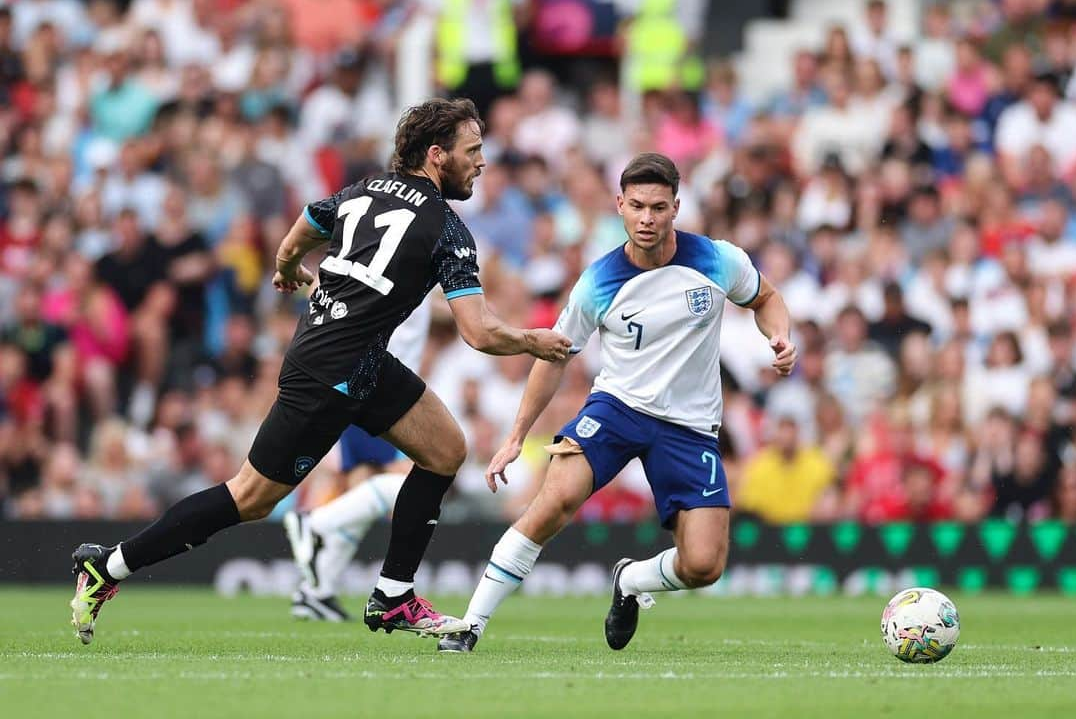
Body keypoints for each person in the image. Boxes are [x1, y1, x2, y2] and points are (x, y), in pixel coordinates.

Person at [68, 98, 572, 645]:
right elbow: (478, 332)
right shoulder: (446, 230)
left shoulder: (359, 192)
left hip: (356, 358)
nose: (481, 162)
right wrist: (532, 341)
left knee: (446, 450)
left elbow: (301, 230)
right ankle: (110, 565)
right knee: (250, 497)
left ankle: (394, 597)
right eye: (472, 151)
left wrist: (287, 269)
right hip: (330, 372)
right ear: (436, 155)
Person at [437, 153, 797, 653]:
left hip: (690, 426)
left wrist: (779, 337)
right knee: (554, 501)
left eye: (657, 207)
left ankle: (629, 581)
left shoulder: (719, 259)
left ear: (676, 207)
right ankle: (469, 625)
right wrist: (517, 436)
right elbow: (553, 355)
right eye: (636, 206)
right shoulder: (598, 282)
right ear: (620, 207)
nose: (646, 218)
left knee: (703, 565)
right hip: (617, 408)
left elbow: (766, 298)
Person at [283, 300, 430, 623]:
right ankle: (316, 523)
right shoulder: (414, 258)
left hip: (373, 377)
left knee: (363, 484)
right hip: (381, 381)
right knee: (420, 483)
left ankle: (316, 591)